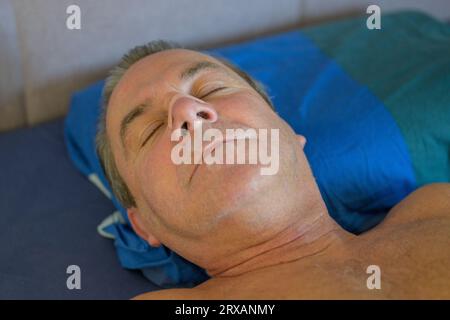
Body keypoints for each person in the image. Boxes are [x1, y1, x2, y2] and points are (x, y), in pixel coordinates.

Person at [96, 40, 450, 299]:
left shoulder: (435, 206)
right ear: (143, 225)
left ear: (289, 134)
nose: (189, 110)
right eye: (151, 130)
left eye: (213, 89)